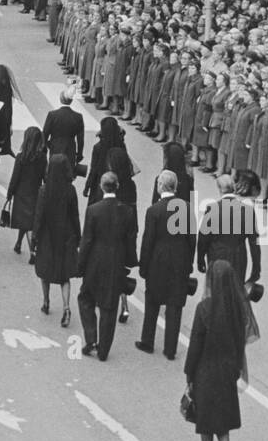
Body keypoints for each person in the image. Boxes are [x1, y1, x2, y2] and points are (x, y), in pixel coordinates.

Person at [184, 260, 254, 441]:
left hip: (205, 370)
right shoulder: (238, 310)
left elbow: (195, 344)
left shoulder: (204, 309)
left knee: (205, 422)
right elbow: (239, 343)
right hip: (227, 371)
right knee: (222, 422)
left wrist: (189, 374)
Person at [76, 172, 137, 359]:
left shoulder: (94, 210)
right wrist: (129, 261)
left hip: (95, 261)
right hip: (116, 262)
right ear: (117, 186)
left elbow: (86, 240)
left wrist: (80, 265)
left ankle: (91, 338)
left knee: (86, 298)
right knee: (109, 307)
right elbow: (130, 239)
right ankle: (104, 350)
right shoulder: (127, 211)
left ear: (102, 187)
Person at [136, 169, 196, 360]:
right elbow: (191, 239)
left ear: (161, 186)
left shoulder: (154, 210)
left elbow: (148, 241)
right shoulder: (186, 208)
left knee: (152, 301)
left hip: (158, 261)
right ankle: (170, 348)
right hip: (179, 261)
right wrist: (189, 263)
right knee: (175, 305)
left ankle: (148, 340)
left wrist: (143, 267)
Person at [32, 154, 80, 325]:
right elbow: (75, 216)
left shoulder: (44, 190)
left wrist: (35, 237)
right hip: (66, 235)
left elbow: (39, 216)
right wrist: (78, 237)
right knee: (64, 275)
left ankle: (46, 302)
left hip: (47, 235)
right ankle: (66, 307)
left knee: (45, 271)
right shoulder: (70, 190)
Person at [5, 126, 47, 257]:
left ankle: (32, 252)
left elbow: (15, 177)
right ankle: (18, 243)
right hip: (35, 192)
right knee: (29, 220)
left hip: (21, 193)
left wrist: (10, 193)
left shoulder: (21, 157)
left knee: (26, 222)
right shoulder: (42, 157)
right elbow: (45, 177)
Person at [42, 88, 85, 167]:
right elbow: (80, 139)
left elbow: (45, 133)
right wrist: (79, 154)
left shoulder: (52, 115)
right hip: (70, 149)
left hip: (55, 148)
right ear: (71, 101)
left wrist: (44, 148)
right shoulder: (78, 117)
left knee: (54, 172)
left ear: (60, 99)